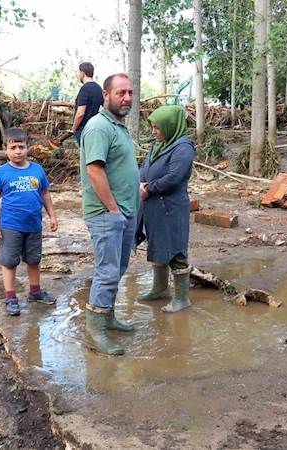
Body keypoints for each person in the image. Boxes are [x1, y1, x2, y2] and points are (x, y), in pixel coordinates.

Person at [79, 73, 140, 356]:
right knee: (106, 272)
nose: (127, 98)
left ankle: (108, 316)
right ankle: (96, 332)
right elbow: (94, 170)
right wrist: (114, 210)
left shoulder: (119, 126)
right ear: (106, 96)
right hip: (106, 214)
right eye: (120, 93)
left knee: (118, 270)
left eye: (130, 92)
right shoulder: (98, 127)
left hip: (124, 213)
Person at [0, 127, 58, 316]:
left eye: (21, 147)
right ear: (5, 150)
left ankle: (35, 292)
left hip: (34, 225)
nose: (17, 151)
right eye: (13, 148)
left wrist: (52, 215)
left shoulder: (37, 170)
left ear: (28, 148)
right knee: (9, 261)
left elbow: (45, 194)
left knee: (34, 260)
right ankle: (10, 297)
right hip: (11, 226)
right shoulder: (1, 173)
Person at [135, 105, 196, 313]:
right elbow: (145, 167)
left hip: (171, 207)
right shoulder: (158, 144)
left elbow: (174, 177)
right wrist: (140, 183)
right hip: (153, 206)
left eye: (157, 127)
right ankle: (160, 290)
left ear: (170, 126)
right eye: (152, 127)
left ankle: (182, 298)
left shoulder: (183, 148)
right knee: (158, 245)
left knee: (175, 249)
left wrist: (149, 188)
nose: (154, 131)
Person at [70, 62, 104, 145]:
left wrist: (74, 129)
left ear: (82, 73)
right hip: (97, 129)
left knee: (86, 156)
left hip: (84, 130)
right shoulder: (99, 89)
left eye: (79, 73)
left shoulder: (85, 89)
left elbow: (80, 113)